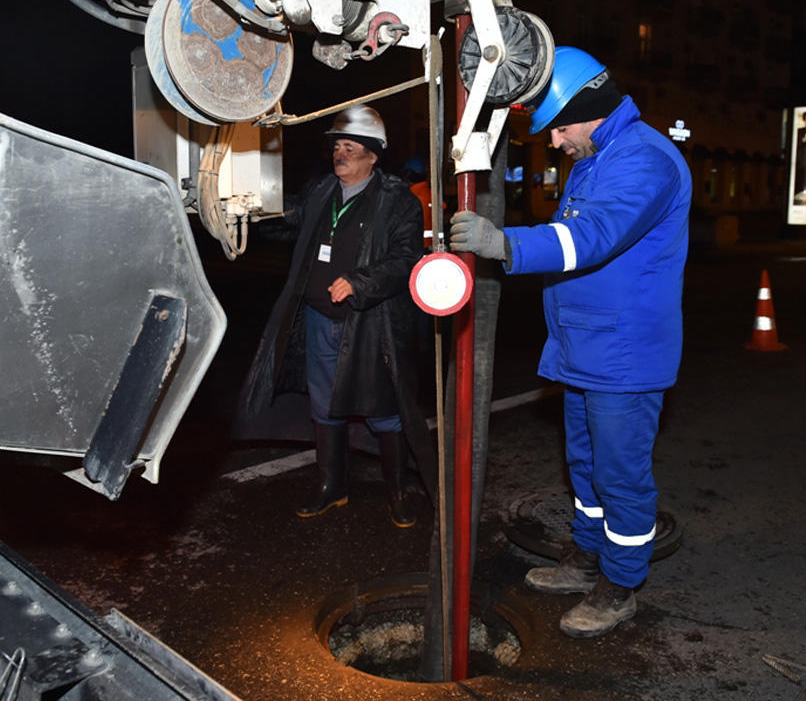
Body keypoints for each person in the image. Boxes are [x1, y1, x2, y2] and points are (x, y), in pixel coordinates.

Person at [448, 47, 691, 638]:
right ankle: (588, 558)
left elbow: (591, 237)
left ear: (586, 109)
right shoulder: (599, 156)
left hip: (624, 357)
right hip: (586, 348)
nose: (554, 141)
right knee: (585, 468)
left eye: (557, 126)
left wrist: (504, 244)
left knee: (620, 476)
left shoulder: (645, 160)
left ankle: (621, 583)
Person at [238, 105, 427, 528]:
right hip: (319, 320)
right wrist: (247, 210)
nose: (340, 154)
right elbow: (288, 222)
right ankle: (332, 487)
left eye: (350, 147)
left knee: (382, 408)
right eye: (337, 146)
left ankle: (399, 492)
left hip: (370, 325)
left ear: (373, 155)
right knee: (325, 407)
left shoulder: (398, 201)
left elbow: (405, 259)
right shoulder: (322, 190)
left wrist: (360, 281)